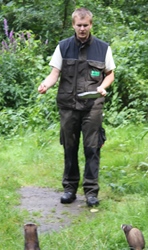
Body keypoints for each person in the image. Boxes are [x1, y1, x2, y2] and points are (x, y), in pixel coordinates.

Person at [38, 7, 116, 207]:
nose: (82, 29)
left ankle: (91, 192)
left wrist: (102, 88)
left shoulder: (103, 48)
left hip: (93, 107)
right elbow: (55, 73)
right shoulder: (63, 47)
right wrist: (46, 84)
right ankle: (69, 189)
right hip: (68, 106)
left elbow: (110, 74)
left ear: (91, 25)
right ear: (73, 25)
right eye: (79, 25)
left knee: (92, 148)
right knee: (70, 148)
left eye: (86, 25)